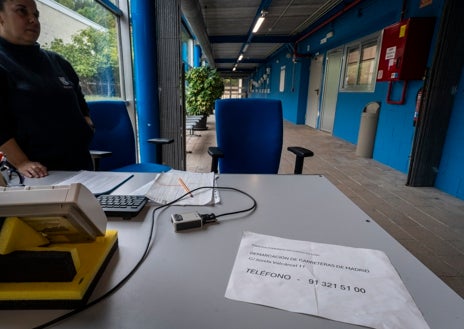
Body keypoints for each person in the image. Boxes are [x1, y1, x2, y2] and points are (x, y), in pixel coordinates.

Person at [0, 0, 95, 178]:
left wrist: (87, 127)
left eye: (36, 15)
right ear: (1, 17)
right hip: (38, 174)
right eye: (22, 11)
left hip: (81, 166)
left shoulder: (58, 62)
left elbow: (82, 106)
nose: (33, 20)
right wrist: (21, 162)